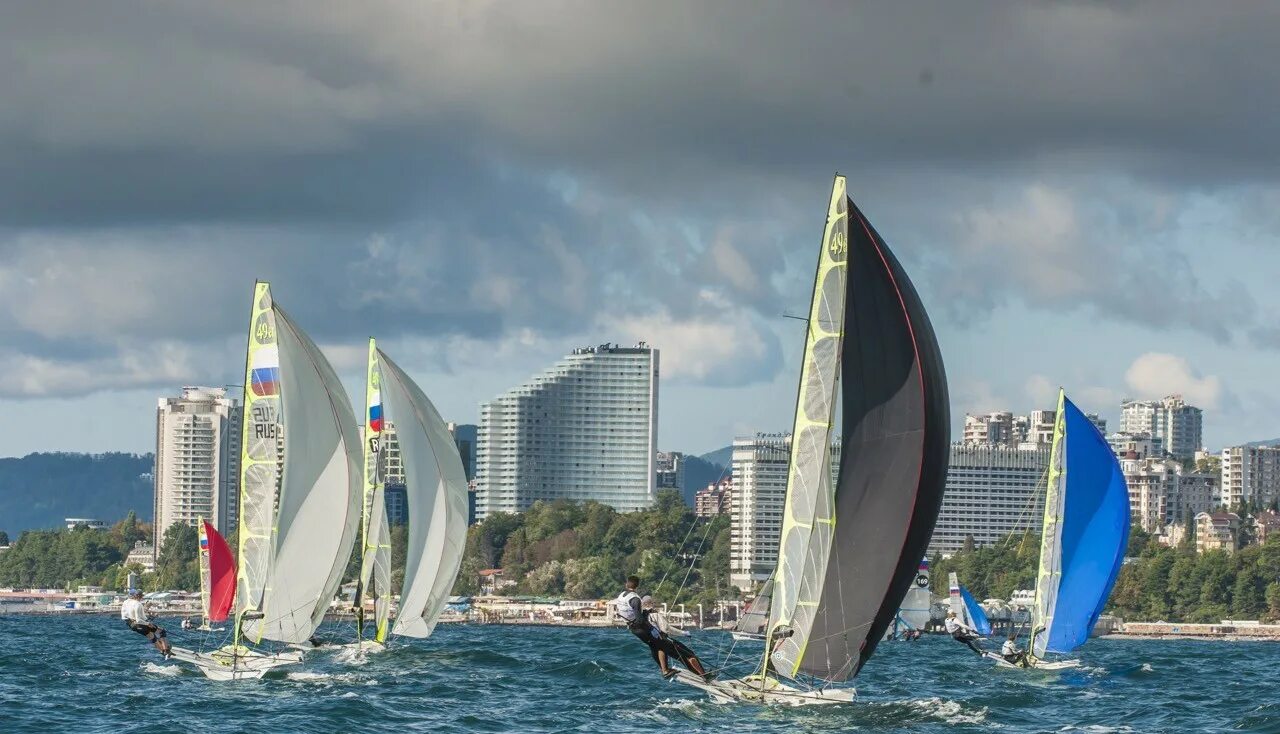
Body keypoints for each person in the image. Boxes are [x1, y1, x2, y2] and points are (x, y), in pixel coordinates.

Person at [614, 576, 711, 682]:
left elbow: (628, 613)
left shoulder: (621, 596)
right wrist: (654, 629)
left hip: (634, 629)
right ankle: (704, 676)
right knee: (687, 653)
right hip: (643, 628)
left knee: (656, 646)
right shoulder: (636, 600)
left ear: (626, 584)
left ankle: (665, 670)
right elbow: (650, 623)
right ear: (637, 586)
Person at [121, 590, 171, 656]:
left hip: (131, 625)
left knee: (151, 636)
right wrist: (148, 623)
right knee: (162, 631)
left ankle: (162, 651)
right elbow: (138, 620)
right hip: (139, 624)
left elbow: (127, 615)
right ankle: (166, 650)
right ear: (140, 596)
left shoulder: (126, 602)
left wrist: (146, 619)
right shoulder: (138, 604)